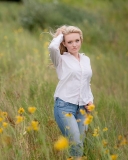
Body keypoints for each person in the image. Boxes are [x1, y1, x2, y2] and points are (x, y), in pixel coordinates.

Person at [48, 25, 94, 159]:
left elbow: (86, 83)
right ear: (64, 43)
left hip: (84, 108)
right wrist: (62, 34)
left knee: (79, 145)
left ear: (81, 40)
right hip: (64, 107)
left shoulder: (86, 60)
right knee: (76, 145)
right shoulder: (60, 59)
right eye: (69, 42)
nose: (74, 45)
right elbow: (52, 47)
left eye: (77, 40)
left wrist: (90, 100)